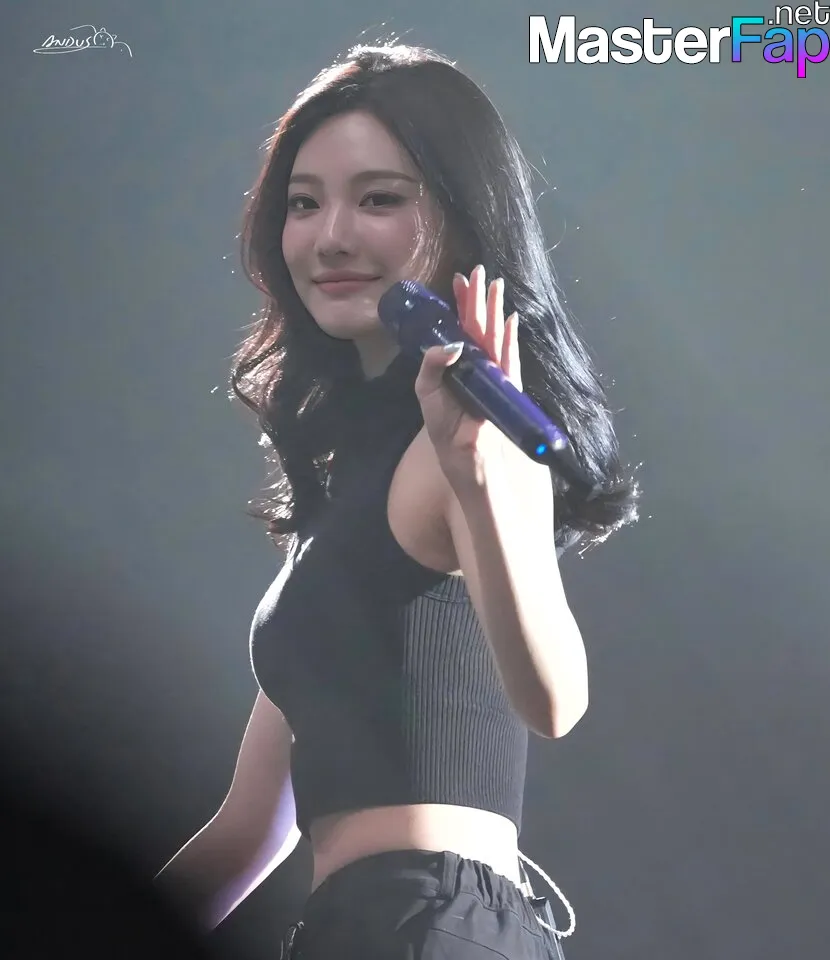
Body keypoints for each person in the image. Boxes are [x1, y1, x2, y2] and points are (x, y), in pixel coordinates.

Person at [155, 42, 639, 958]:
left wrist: (476, 472)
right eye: (304, 203)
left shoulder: (473, 447)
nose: (330, 236)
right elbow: (248, 829)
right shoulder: (343, 497)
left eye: (379, 199)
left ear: (464, 215)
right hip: (357, 925)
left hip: (429, 922)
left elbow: (555, 699)